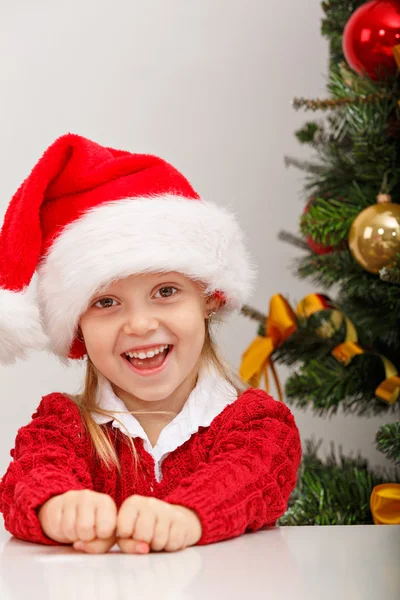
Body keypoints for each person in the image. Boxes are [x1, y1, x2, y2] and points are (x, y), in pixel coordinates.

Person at [0, 133, 302, 555]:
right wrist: (59, 506)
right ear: (77, 330)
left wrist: (186, 515)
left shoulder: (257, 424)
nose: (140, 324)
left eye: (165, 291)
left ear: (210, 298)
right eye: (106, 302)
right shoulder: (65, 427)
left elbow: (250, 475)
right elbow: (32, 475)